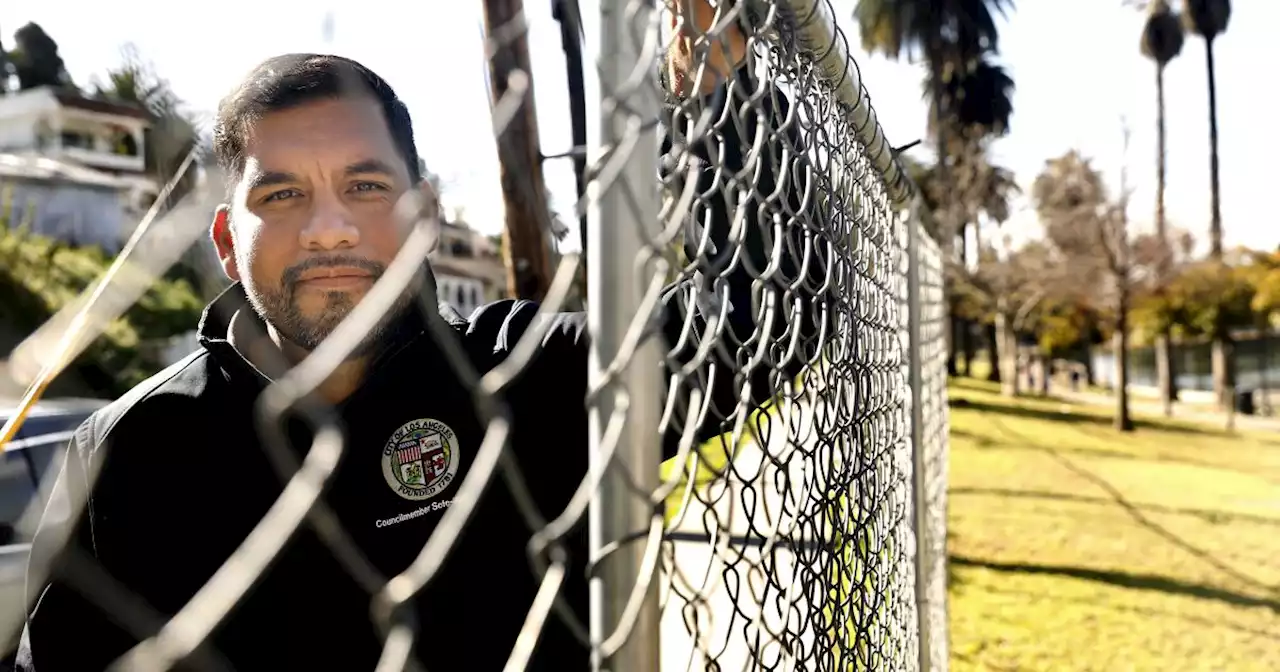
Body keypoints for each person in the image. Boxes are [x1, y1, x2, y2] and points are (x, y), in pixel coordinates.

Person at [16, 2, 828, 670]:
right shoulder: (131, 449)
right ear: (227, 241)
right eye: (284, 195)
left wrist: (726, 101)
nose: (330, 229)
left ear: (426, 216)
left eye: (366, 186)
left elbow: (767, 319)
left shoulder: (523, 378)